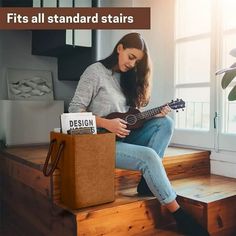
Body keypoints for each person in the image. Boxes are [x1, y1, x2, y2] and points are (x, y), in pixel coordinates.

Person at [68, 32, 209, 236]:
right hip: (97, 142)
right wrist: (106, 122)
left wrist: (152, 115)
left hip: (122, 136)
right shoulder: (95, 72)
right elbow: (74, 112)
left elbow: (129, 120)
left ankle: (146, 183)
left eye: (137, 61)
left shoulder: (128, 78)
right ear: (120, 48)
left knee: (164, 123)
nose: (133, 64)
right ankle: (179, 215)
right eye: (131, 57)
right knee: (149, 156)